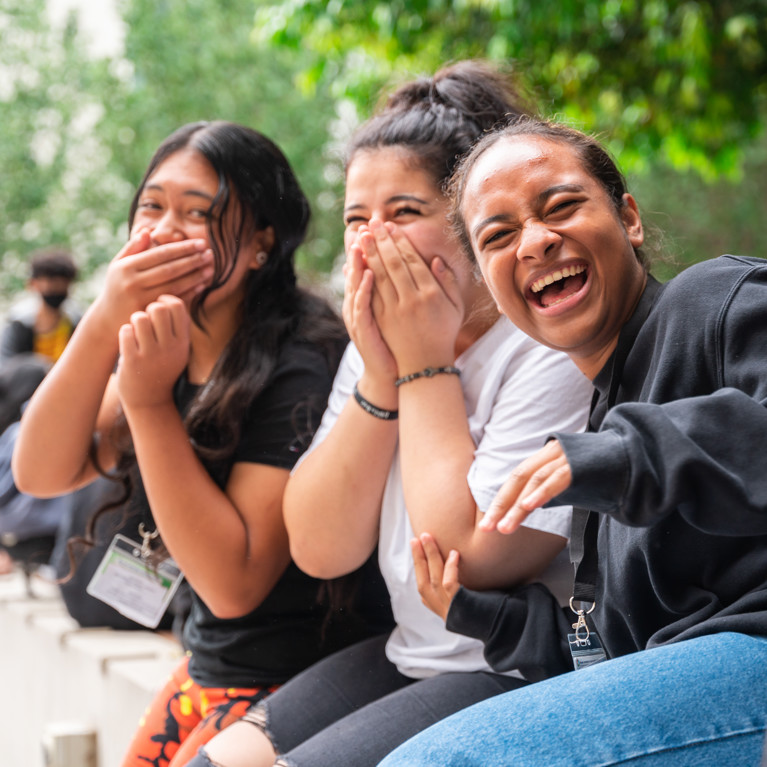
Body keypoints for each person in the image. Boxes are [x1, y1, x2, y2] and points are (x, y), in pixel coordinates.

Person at [193, 62, 593, 767]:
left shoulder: (544, 346)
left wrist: (425, 366)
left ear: (475, 223)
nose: (371, 240)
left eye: (403, 213)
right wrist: (383, 374)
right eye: (355, 218)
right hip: (413, 651)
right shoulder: (374, 344)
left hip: (518, 663)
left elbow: (472, 559)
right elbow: (320, 547)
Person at [377, 117, 767, 766]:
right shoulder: (598, 427)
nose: (534, 241)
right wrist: (482, 615)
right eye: (497, 236)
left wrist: (629, 453)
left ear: (629, 220)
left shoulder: (714, 297)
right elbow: (599, 654)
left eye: (560, 206)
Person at [13, 121, 392, 767]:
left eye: (197, 214)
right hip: (208, 666)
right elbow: (40, 470)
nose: (162, 231)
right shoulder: (168, 338)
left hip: (296, 680)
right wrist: (106, 315)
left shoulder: (304, 358)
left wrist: (149, 403)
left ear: (260, 243)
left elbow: (235, 585)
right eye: (151, 207)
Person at [0, 247, 80, 363]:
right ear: (33, 284)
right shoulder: (19, 325)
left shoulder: (75, 323)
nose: (57, 289)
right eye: (51, 283)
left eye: (62, 283)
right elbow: (5, 368)